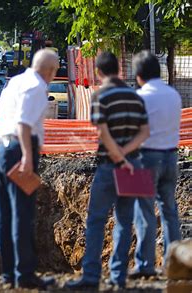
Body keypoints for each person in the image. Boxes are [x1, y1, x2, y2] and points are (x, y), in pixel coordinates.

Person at [65, 52, 150, 290]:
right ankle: (118, 277)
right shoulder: (135, 96)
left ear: (99, 73)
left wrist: (117, 156)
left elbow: (102, 132)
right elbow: (145, 132)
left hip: (109, 165)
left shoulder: (100, 95)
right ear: (119, 70)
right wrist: (127, 155)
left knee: (96, 221)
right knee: (125, 221)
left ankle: (91, 276)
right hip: (134, 164)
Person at [0, 49, 59, 289]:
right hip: (19, 150)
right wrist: (28, 157)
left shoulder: (15, 82)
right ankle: (25, 274)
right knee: (22, 213)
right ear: (50, 70)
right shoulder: (37, 87)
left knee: (3, 215)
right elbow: (23, 123)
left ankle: (9, 273)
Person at [129, 50, 182, 278]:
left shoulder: (140, 98)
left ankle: (145, 264)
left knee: (144, 212)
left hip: (145, 158)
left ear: (139, 74)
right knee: (170, 211)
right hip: (171, 157)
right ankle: (176, 264)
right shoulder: (173, 95)